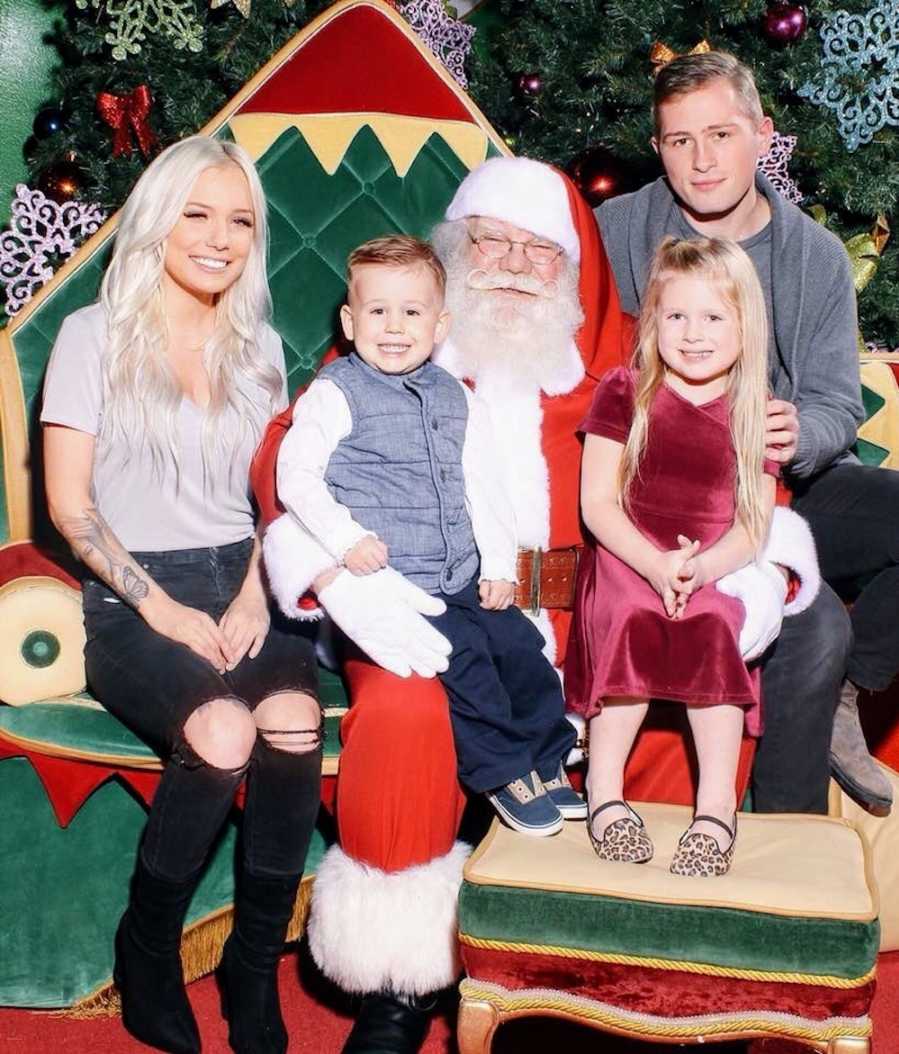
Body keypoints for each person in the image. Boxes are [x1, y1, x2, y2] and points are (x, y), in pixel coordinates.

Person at [253, 156, 816, 1053]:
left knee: (673, 715)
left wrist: (741, 577)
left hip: (592, 604)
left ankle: (632, 973)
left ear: (574, 271)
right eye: (490, 243)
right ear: (452, 255)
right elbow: (285, 458)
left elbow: (730, 472)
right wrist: (342, 579)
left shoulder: (635, 353)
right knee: (403, 709)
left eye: (539, 251)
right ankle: (398, 979)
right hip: (414, 599)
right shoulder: (394, 339)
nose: (513, 264)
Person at [41, 135, 322, 1054]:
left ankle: (252, 965)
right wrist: (158, 608)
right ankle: (148, 948)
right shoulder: (94, 336)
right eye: (197, 214)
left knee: (290, 721)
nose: (219, 237)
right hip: (131, 595)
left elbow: (274, 499)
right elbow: (70, 510)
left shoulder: (261, 349)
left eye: (239, 219)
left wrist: (252, 599)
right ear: (159, 220)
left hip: (246, 577)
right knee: (223, 730)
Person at [595, 49, 896, 815]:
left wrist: (801, 430)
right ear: (657, 148)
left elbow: (836, 401)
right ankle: (778, 830)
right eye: (679, 140)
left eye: (721, 135)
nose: (702, 160)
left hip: (784, 485)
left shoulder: (816, 257)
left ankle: (849, 697)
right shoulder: (619, 230)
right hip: (672, 494)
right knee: (815, 621)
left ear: (762, 134)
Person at [274, 235, 582, 836]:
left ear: (439, 323)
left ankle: (550, 759)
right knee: (466, 666)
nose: (394, 327)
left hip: (462, 571)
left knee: (523, 650)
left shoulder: (457, 397)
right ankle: (502, 772)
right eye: (377, 311)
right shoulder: (336, 392)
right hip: (397, 584)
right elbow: (295, 477)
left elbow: (483, 486)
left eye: (411, 312)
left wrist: (496, 565)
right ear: (349, 319)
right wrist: (343, 540)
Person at [567, 235, 782, 877]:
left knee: (715, 623)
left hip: (714, 559)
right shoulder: (624, 391)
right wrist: (659, 566)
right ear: (652, 320)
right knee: (633, 618)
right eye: (676, 316)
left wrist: (703, 569)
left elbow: (754, 522)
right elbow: (597, 505)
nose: (693, 333)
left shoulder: (755, 412)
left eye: (714, 317)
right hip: (628, 555)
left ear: (746, 326)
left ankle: (716, 808)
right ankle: (604, 791)